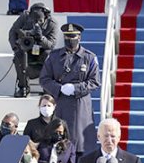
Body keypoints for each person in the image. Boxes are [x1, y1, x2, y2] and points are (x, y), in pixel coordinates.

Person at [40, 23, 100, 155]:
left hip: (81, 106)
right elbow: (44, 79)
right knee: (60, 140)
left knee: (82, 144)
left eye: (73, 37)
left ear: (79, 38)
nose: (70, 40)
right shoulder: (54, 57)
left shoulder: (89, 57)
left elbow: (95, 82)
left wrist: (76, 88)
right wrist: (59, 88)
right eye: (67, 37)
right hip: (61, 103)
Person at [10, 3, 59, 97]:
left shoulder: (52, 23)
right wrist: (16, 47)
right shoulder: (24, 17)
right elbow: (13, 31)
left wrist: (41, 38)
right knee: (19, 56)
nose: (37, 23)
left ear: (46, 17)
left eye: (40, 21)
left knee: (49, 56)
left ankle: (47, 87)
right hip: (27, 49)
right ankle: (23, 87)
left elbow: (51, 45)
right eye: (34, 20)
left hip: (43, 50)